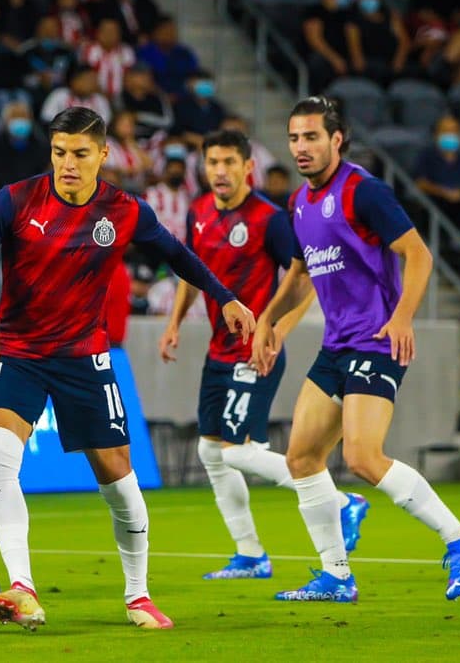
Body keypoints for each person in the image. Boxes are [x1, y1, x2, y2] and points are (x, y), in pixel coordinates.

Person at [0, 106, 255, 630]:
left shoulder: (125, 211)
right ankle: (22, 587)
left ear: (103, 155)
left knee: (118, 481)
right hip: (17, 351)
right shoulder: (16, 200)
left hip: (85, 356)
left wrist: (225, 298)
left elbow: (180, 256)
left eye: (80, 154)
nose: (67, 163)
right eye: (59, 152)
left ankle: (138, 596)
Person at [251, 96, 460, 603]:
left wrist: (402, 316)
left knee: (361, 455)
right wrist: (268, 319)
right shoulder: (299, 203)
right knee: (301, 458)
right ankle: (336, 576)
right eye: (294, 138)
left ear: (337, 140)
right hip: (336, 345)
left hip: (377, 341)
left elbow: (418, 255)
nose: (301, 147)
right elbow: (299, 276)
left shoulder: (363, 191)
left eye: (311, 137)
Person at [157, 130, 369, 580]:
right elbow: (190, 272)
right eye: (212, 162)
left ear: (247, 167)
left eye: (228, 163)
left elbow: (306, 281)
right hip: (219, 351)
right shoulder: (197, 212)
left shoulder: (269, 219)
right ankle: (251, 554)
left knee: (236, 452)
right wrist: (175, 322)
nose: (219, 171)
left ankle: (341, 501)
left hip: (254, 354)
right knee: (210, 451)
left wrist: (274, 333)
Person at [413, 114, 460, 231]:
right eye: (446, 131)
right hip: (436, 202)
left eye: (454, 131)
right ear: (436, 134)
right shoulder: (427, 155)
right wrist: (445, 193)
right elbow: (420, 183)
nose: (450, 134)